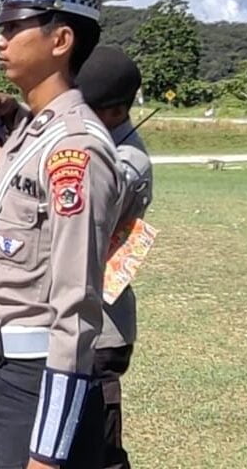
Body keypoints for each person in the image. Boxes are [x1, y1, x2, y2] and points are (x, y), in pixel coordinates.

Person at [0, 0, 127, 468]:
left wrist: (49, 449)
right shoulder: (33, 131)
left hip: (35, 381)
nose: (0, 41)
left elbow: (76, 305)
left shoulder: (75, 149)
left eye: (15, 28)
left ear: (60, 41)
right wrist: (11, 110)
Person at [75, 45, 152, 469]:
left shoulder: (127, 162)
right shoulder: (102, 145)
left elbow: (82, 209)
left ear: (117, 111)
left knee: (100, 449)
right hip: (83, 318)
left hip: (102, 328)